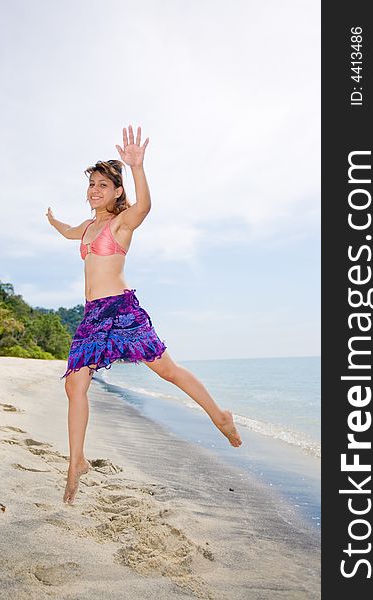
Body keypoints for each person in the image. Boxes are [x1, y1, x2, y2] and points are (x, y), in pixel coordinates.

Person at [47, 125, 242, 504]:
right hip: (92, 316)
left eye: (103, 185)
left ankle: (220, 417)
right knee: (74, 385)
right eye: (91, 185)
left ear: (117, 191)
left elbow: (144, 207)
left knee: (167, 370)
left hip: (121, 310)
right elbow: (71, 232)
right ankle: (76, 462)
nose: (94, 191)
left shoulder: (122, 222)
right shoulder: (89, 226)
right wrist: (54, 222)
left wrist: (137, 167)